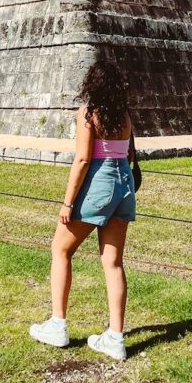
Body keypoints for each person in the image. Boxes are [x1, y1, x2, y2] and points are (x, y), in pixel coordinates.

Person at [29, 61, 136, 361]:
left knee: (60, 249)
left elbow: (83, 160)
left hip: (99, 185)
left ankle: (58, 324)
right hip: (123, 185)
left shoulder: (90, 114)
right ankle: (115, 337)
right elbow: (128, 154)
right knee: (113, 262)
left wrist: (67, 203)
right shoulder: (125, 115)